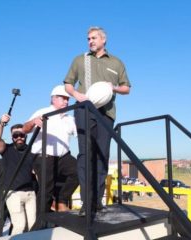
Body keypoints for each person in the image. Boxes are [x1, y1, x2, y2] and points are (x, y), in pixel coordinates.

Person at [64, 26, 131, 217]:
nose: (90, 41)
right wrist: (78, 95)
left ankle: (98, 201)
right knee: (86, 155)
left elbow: (127, 88)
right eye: (88, 38)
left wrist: (113, 87)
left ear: (103, 40)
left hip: (106, 114)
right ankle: (86, 202)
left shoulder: (116, 63)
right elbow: (68, 83)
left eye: (94, 38)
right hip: (84, 110)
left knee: (102, 156)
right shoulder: (80, 59)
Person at [23, 85, 78, 214]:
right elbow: (25, 129)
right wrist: (32, 122)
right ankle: (40, 223)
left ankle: (61, 200)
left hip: (63, 157)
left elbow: (81, 135)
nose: (66, 101)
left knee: (79, 171)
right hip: (44, 157)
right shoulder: (43, 112)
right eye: (63, 98)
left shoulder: (70, 119)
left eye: (67, 99)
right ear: (53, 99)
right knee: (46, 190)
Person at [0, 116, 36, 235]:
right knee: (19, 226)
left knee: (33, 226)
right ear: (12, 137)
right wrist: (1, 123)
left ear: (26, 136)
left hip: (30, 193)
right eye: (15, 135)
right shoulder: (7, 149)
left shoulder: (31, 149)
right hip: (13, 193)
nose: (19, 138)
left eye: (21, 135)